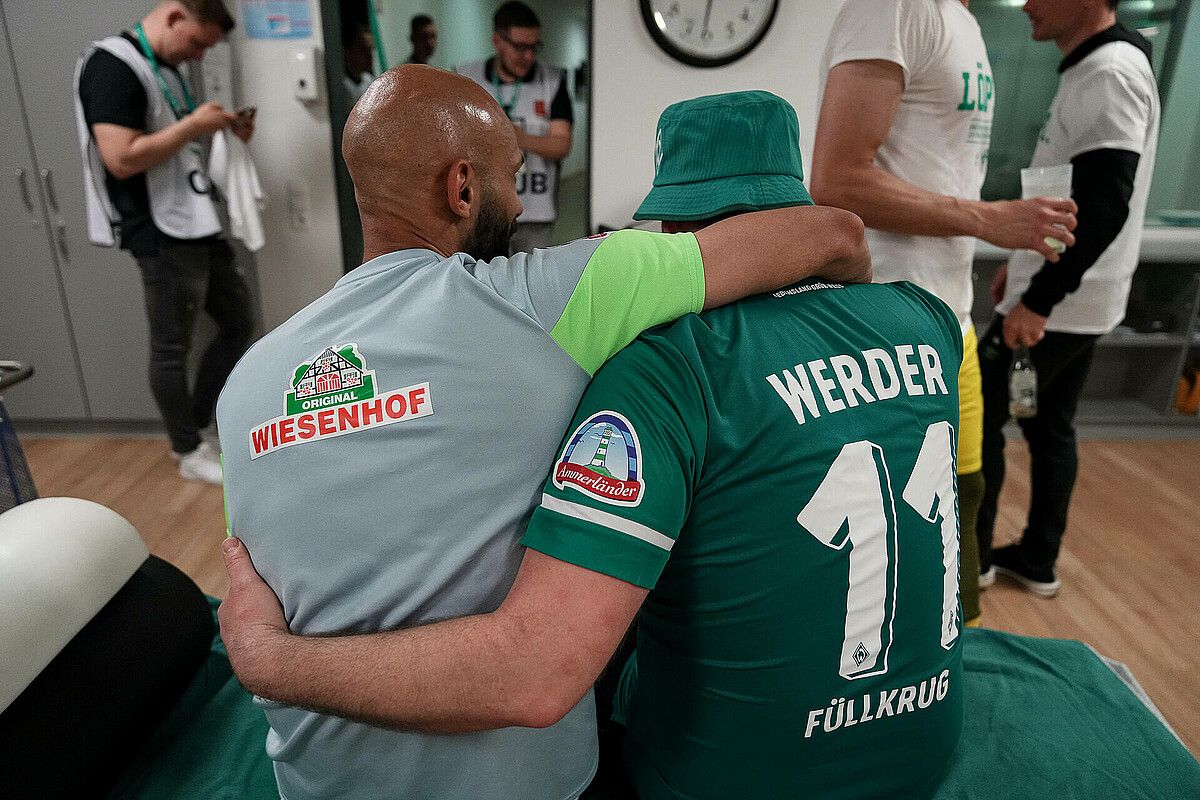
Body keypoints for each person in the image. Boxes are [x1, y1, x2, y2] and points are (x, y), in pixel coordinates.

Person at [218, 91, 966, 799]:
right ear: (462, 188)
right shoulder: (922, 320)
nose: (519, 203)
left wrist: (266, 658)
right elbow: (838, 235)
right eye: (513, 180)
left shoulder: (245, 381)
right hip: (900, 741)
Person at [810, 0, 1079, 625]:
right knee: (880, 539)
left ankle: (948, 675)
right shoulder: (893, 7)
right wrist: (993, 220)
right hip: (882, 322)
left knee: (962, 503)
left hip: (948, 317)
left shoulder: (965, 20)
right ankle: (882, 687)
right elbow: (837, 180)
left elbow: (940, 171)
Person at [977, 0, 1160, 597]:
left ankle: (972, 561)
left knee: (978, 422)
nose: (1026, 4)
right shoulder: (1090, 70)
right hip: (1069, 297)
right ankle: (1036, 558)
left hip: (1061, 306)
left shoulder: (1111, 73)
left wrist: (1040, 300)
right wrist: (1019, 262)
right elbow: (1065, 190)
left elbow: (1105, 207)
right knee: (1048, 424)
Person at [74, 0, 254, 485]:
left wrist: (221, 132)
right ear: (175, 15)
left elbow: (175, 145)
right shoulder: (112, 65)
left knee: (239, 323)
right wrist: (193, 124)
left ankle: (196, 424)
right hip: (157, 230)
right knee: (171, 346)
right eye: (198, 42)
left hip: (194, 220)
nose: (198, 56)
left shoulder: (168, 69)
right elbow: (121, 157)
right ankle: (186, 448)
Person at [457, 2, 572, 254]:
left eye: (534, 47)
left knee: (531, 286)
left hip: (535, 211)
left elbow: (561, 143)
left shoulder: (552, 83)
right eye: (520, 47)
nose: (529, 56)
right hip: (482, 212)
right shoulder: (467, 78)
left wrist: (518, 138)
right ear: (497, 40)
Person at [343, 23, 376, 100]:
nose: (368, 54)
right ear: (348, 51)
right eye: (362, 49)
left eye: (370, 49)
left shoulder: (369, 80)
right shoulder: (343, 86)